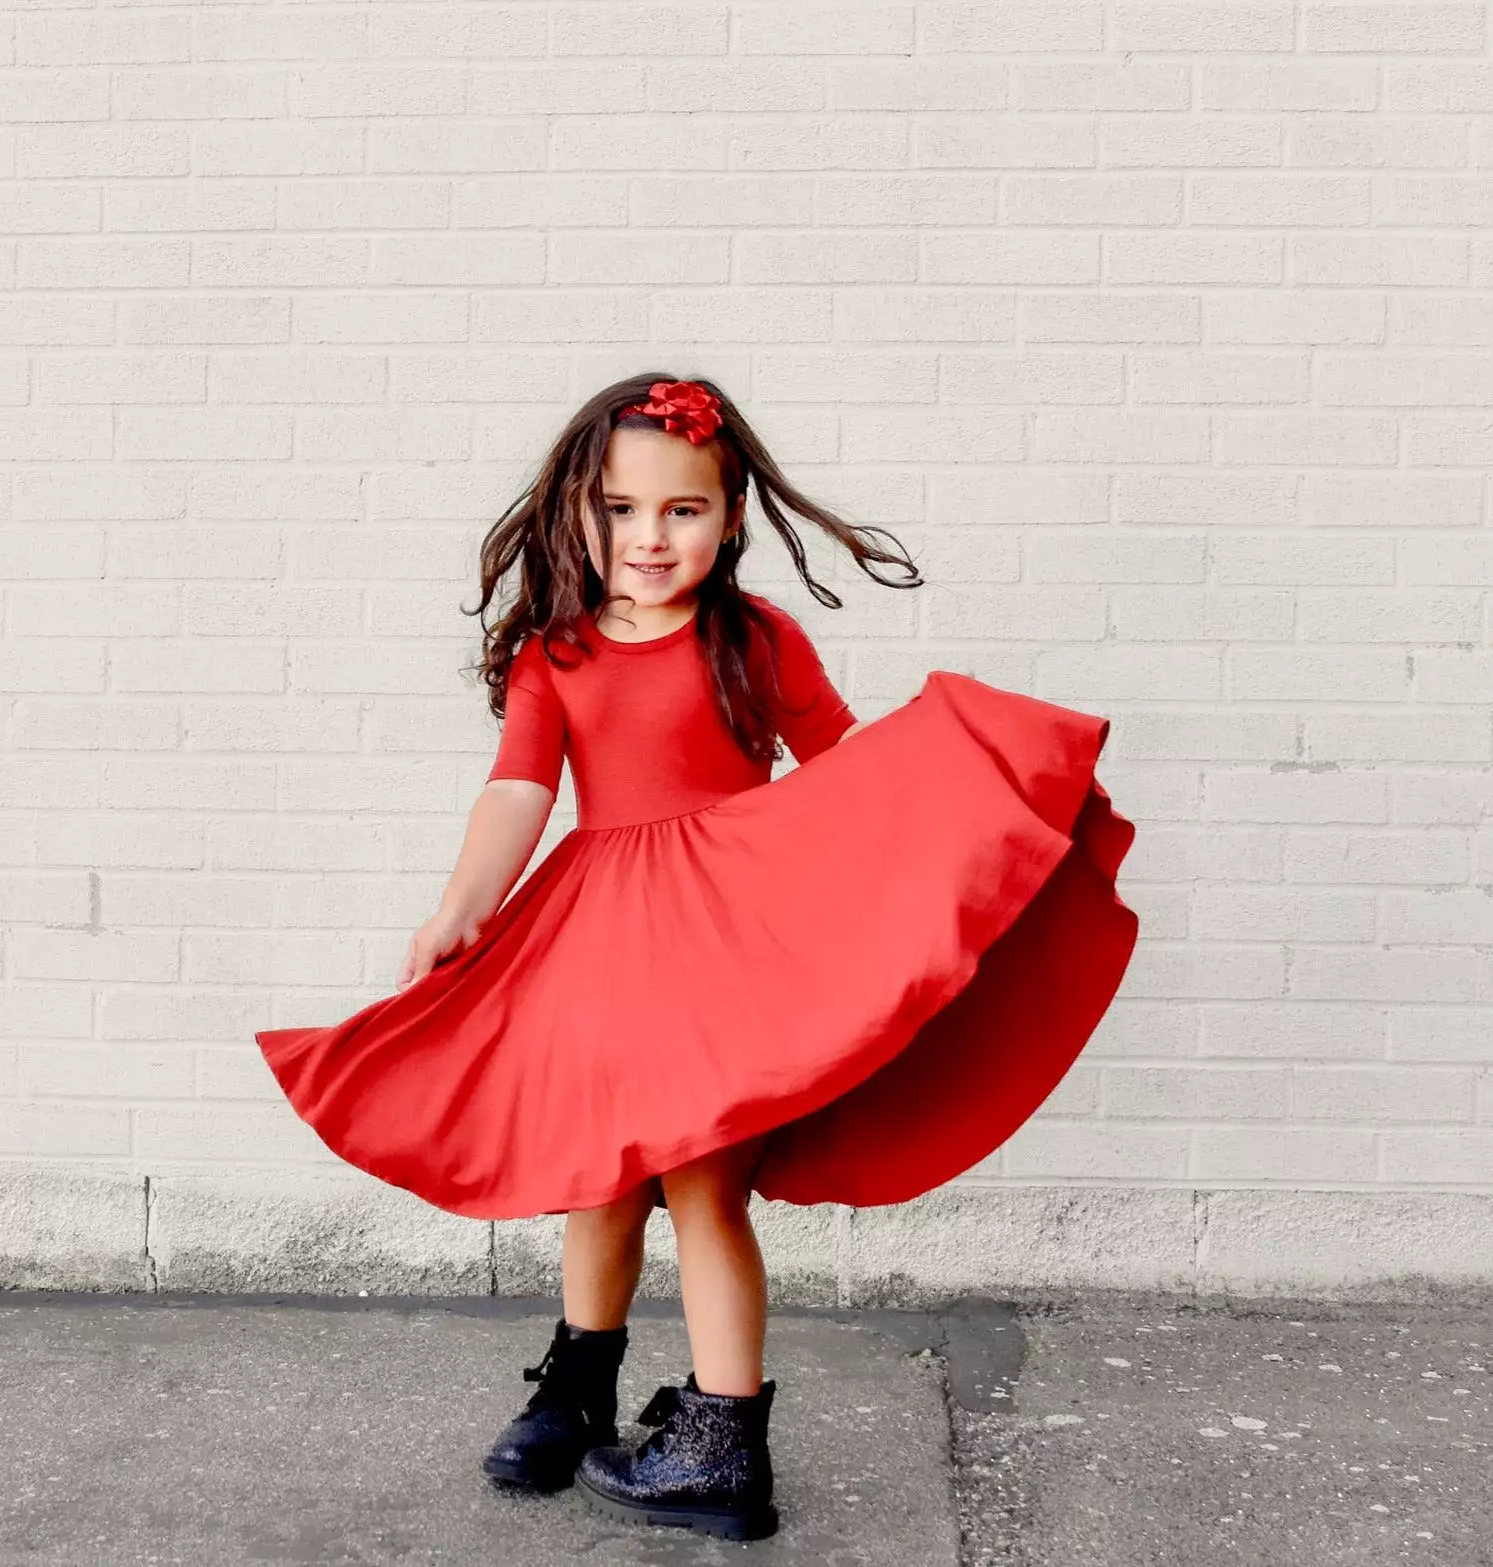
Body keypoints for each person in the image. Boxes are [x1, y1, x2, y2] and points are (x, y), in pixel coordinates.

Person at [255, 375, 1139, 1543]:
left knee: (704, 1185)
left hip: (727, 948)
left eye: (681, 510)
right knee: (599, 1173)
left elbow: (844, 771)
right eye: (621, 510)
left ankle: (724, 1443)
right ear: (578, 511)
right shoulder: (556, 654)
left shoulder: (753, 638)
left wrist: (953, 812)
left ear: (730, 517)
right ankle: (577, 1396)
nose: (649, 536)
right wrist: (464, 904)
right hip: (599, 943)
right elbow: (519, 792)